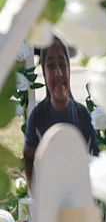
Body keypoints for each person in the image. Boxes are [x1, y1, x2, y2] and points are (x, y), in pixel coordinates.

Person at [23, 36, 98, 185]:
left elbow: (96, 155)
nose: (58, 72)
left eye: (62, 65)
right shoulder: (38, 116)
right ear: (44, 73)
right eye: (51, 66)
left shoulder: (81, 113)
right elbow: (29, 159)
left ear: (69, 69)